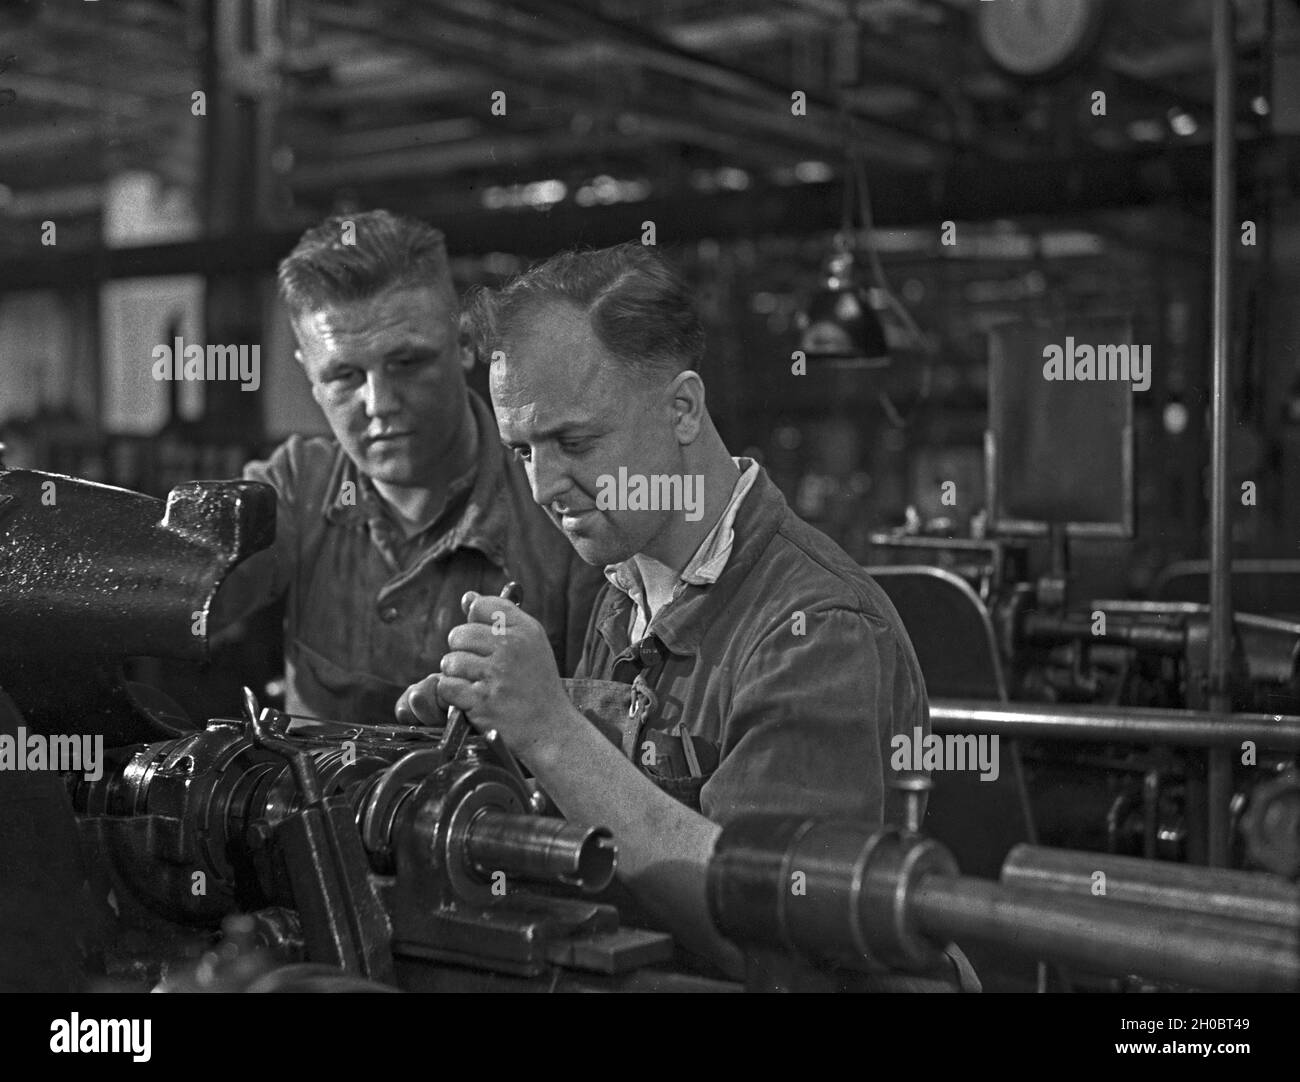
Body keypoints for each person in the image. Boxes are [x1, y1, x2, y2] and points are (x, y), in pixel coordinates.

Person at [397, 243, 974, 987]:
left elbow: (774, 937)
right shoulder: (626, 588)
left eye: (574, 441)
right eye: (522, 450)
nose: (544, 486)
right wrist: (497, 740)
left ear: (682, 408)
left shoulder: (818, 631)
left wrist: (551, 729)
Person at [212, 211, 602, 724]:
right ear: (310, 375)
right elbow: (183, 593)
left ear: (465, 345)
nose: (380, 403)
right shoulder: (295, 487)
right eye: (346, 375)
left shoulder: (561, 506)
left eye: (407, 363)